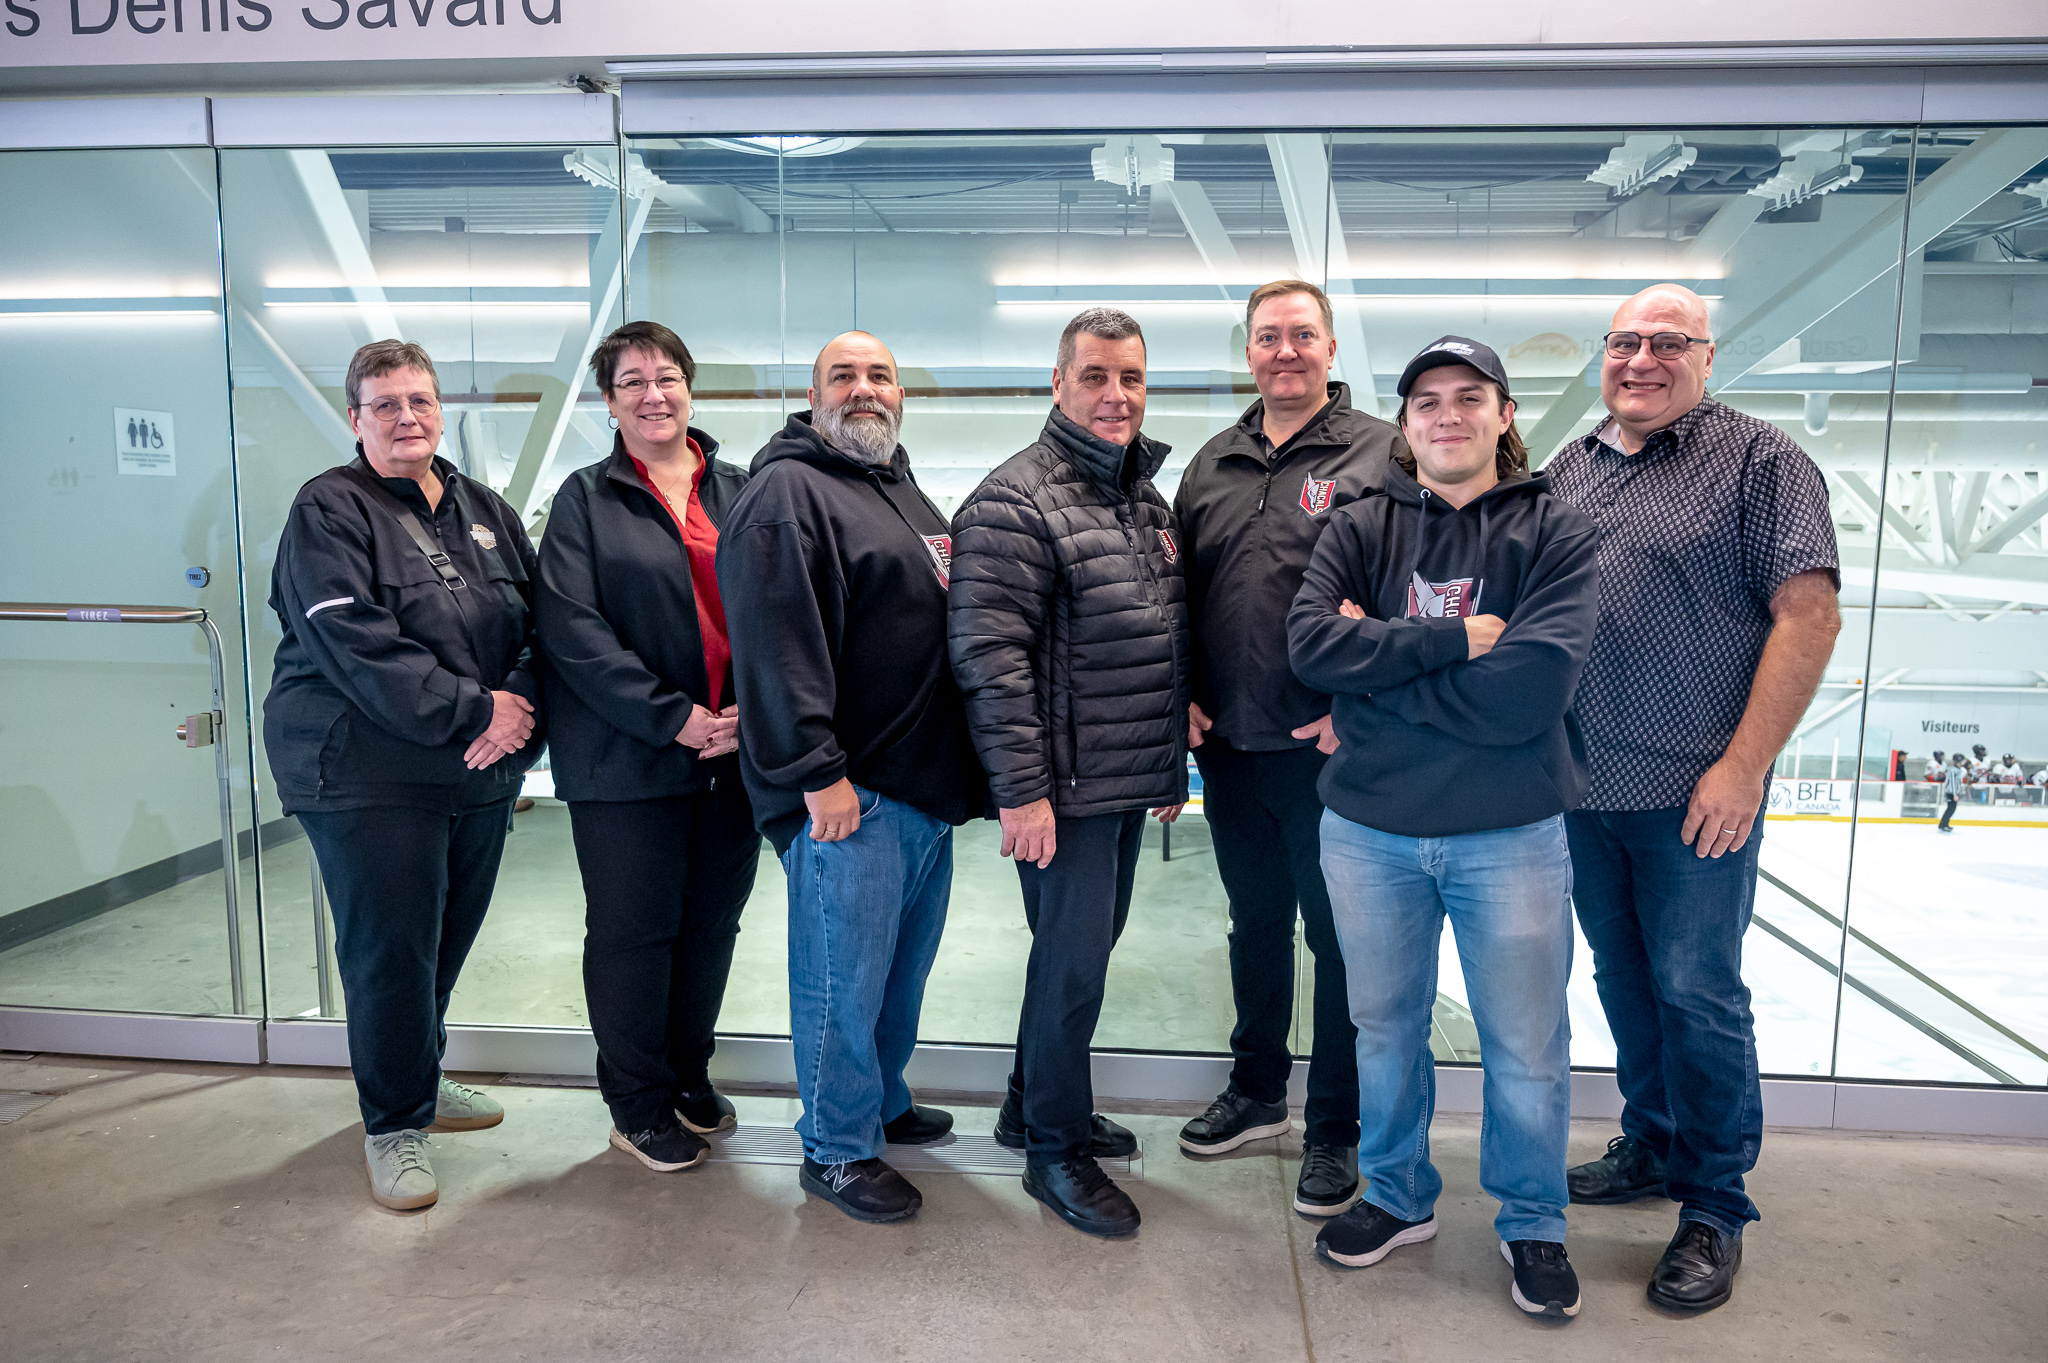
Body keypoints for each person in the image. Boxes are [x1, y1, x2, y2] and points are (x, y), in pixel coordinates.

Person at [1287, 336, 1599, 1319]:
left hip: (1509, 833)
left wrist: (1378, 680)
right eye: (1426, 400)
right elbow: (1309, 646)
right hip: (1368, 833)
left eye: (1469, 397)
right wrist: (1454, 641)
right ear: (1405, 422)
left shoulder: (1555, 530)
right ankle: (1395, 1194)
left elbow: (1531, 690)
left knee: (1525, 1039)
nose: (1447, 414)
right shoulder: (1357, 523)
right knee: (1383, 1028)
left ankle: (1532, 1219)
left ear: (1504, 415)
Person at [1547, 284, 1841, 1314]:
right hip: (1582, 790)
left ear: (1707, 357)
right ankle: (1652, 1140)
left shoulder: (1761, 461)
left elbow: (1808, 616)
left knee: (1697, 991)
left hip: (1695, 797)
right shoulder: (1571, 467)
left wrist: (1744, 766)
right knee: (1624, 979)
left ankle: (1713, 1201)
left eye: (1667, 342)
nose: (1641, 359)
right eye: (1625, 341)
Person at [717, 331, 988, 1225]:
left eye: (880, 376)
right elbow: (776, 644)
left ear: (900, 395)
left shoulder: (896, 486)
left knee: (895, 977)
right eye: (844, 376)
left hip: (918, 790)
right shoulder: (787, 494)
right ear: (813, 395)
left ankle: (880, 1101)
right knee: (843, 982)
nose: (864, 388)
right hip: (851, 795)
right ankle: (835, 1147)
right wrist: (817, 772)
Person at [264, 339, 540, 1211]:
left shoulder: (484, 509)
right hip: (365, 770)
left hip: (473, 770)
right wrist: (477, 708)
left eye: (419, 400)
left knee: (444, 941)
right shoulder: (328, 509)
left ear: (440, 411)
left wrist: (519, 707)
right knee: (392, 952)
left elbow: (543, 624)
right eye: (384, 404)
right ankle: (393, 1124)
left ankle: (416, 1075)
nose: (406, 417)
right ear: (356, 419)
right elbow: (355, 641)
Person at [949, 307, 1190, 1238]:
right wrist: (1022, 792)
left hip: (1119, 780)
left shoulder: (1142, 497)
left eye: (1130, 377)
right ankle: (1054, 1150)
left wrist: (1165, 762)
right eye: (1095, 375)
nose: (1115, 394)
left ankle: (1029, 1103)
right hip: (1063, 790)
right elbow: (990, 659)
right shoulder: (1015, 500)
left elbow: (1155, 637)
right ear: (1058, 383)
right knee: (1071, 969)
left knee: (1075, 958)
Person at [1170, 280, 1406, 1214]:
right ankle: (1258, 1089)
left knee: (1337, 939)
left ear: (1331, 348)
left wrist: (1360, 702)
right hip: (1230, 745)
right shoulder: (1213, 462)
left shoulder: (1382, 452)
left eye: (1302, 334)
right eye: (1268, 336)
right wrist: (1182, 694)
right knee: (1255, 921)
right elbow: (1176, 594)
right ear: (1249, 352)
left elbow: (1411, 586)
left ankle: (1335, 1126)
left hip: (1328, 749)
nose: (1285, 351)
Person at [535, 321, 757, 1175]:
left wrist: (749, 714)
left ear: (690, 388)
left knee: (709, 927)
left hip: (732, 756)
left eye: (667, 377)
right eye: (631, 382)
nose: (653, 395)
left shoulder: (740, 489)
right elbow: (573, 632)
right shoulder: (585, 500)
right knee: (635, 933)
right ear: (609, 401)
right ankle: (636, 1104)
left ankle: (687, 1075)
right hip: (627, 759)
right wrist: (675, 717)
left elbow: (779, 609)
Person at [1938, 753, 1969, 832]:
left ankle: (1945, 824)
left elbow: (1957, 783)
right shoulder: (1952, 770)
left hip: (1953, 792)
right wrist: (1955, 794)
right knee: (1950, 809)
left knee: (1951, 809)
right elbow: (1952, 783)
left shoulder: (1958, 770)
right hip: (1951, 793)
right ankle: (1943, 825)